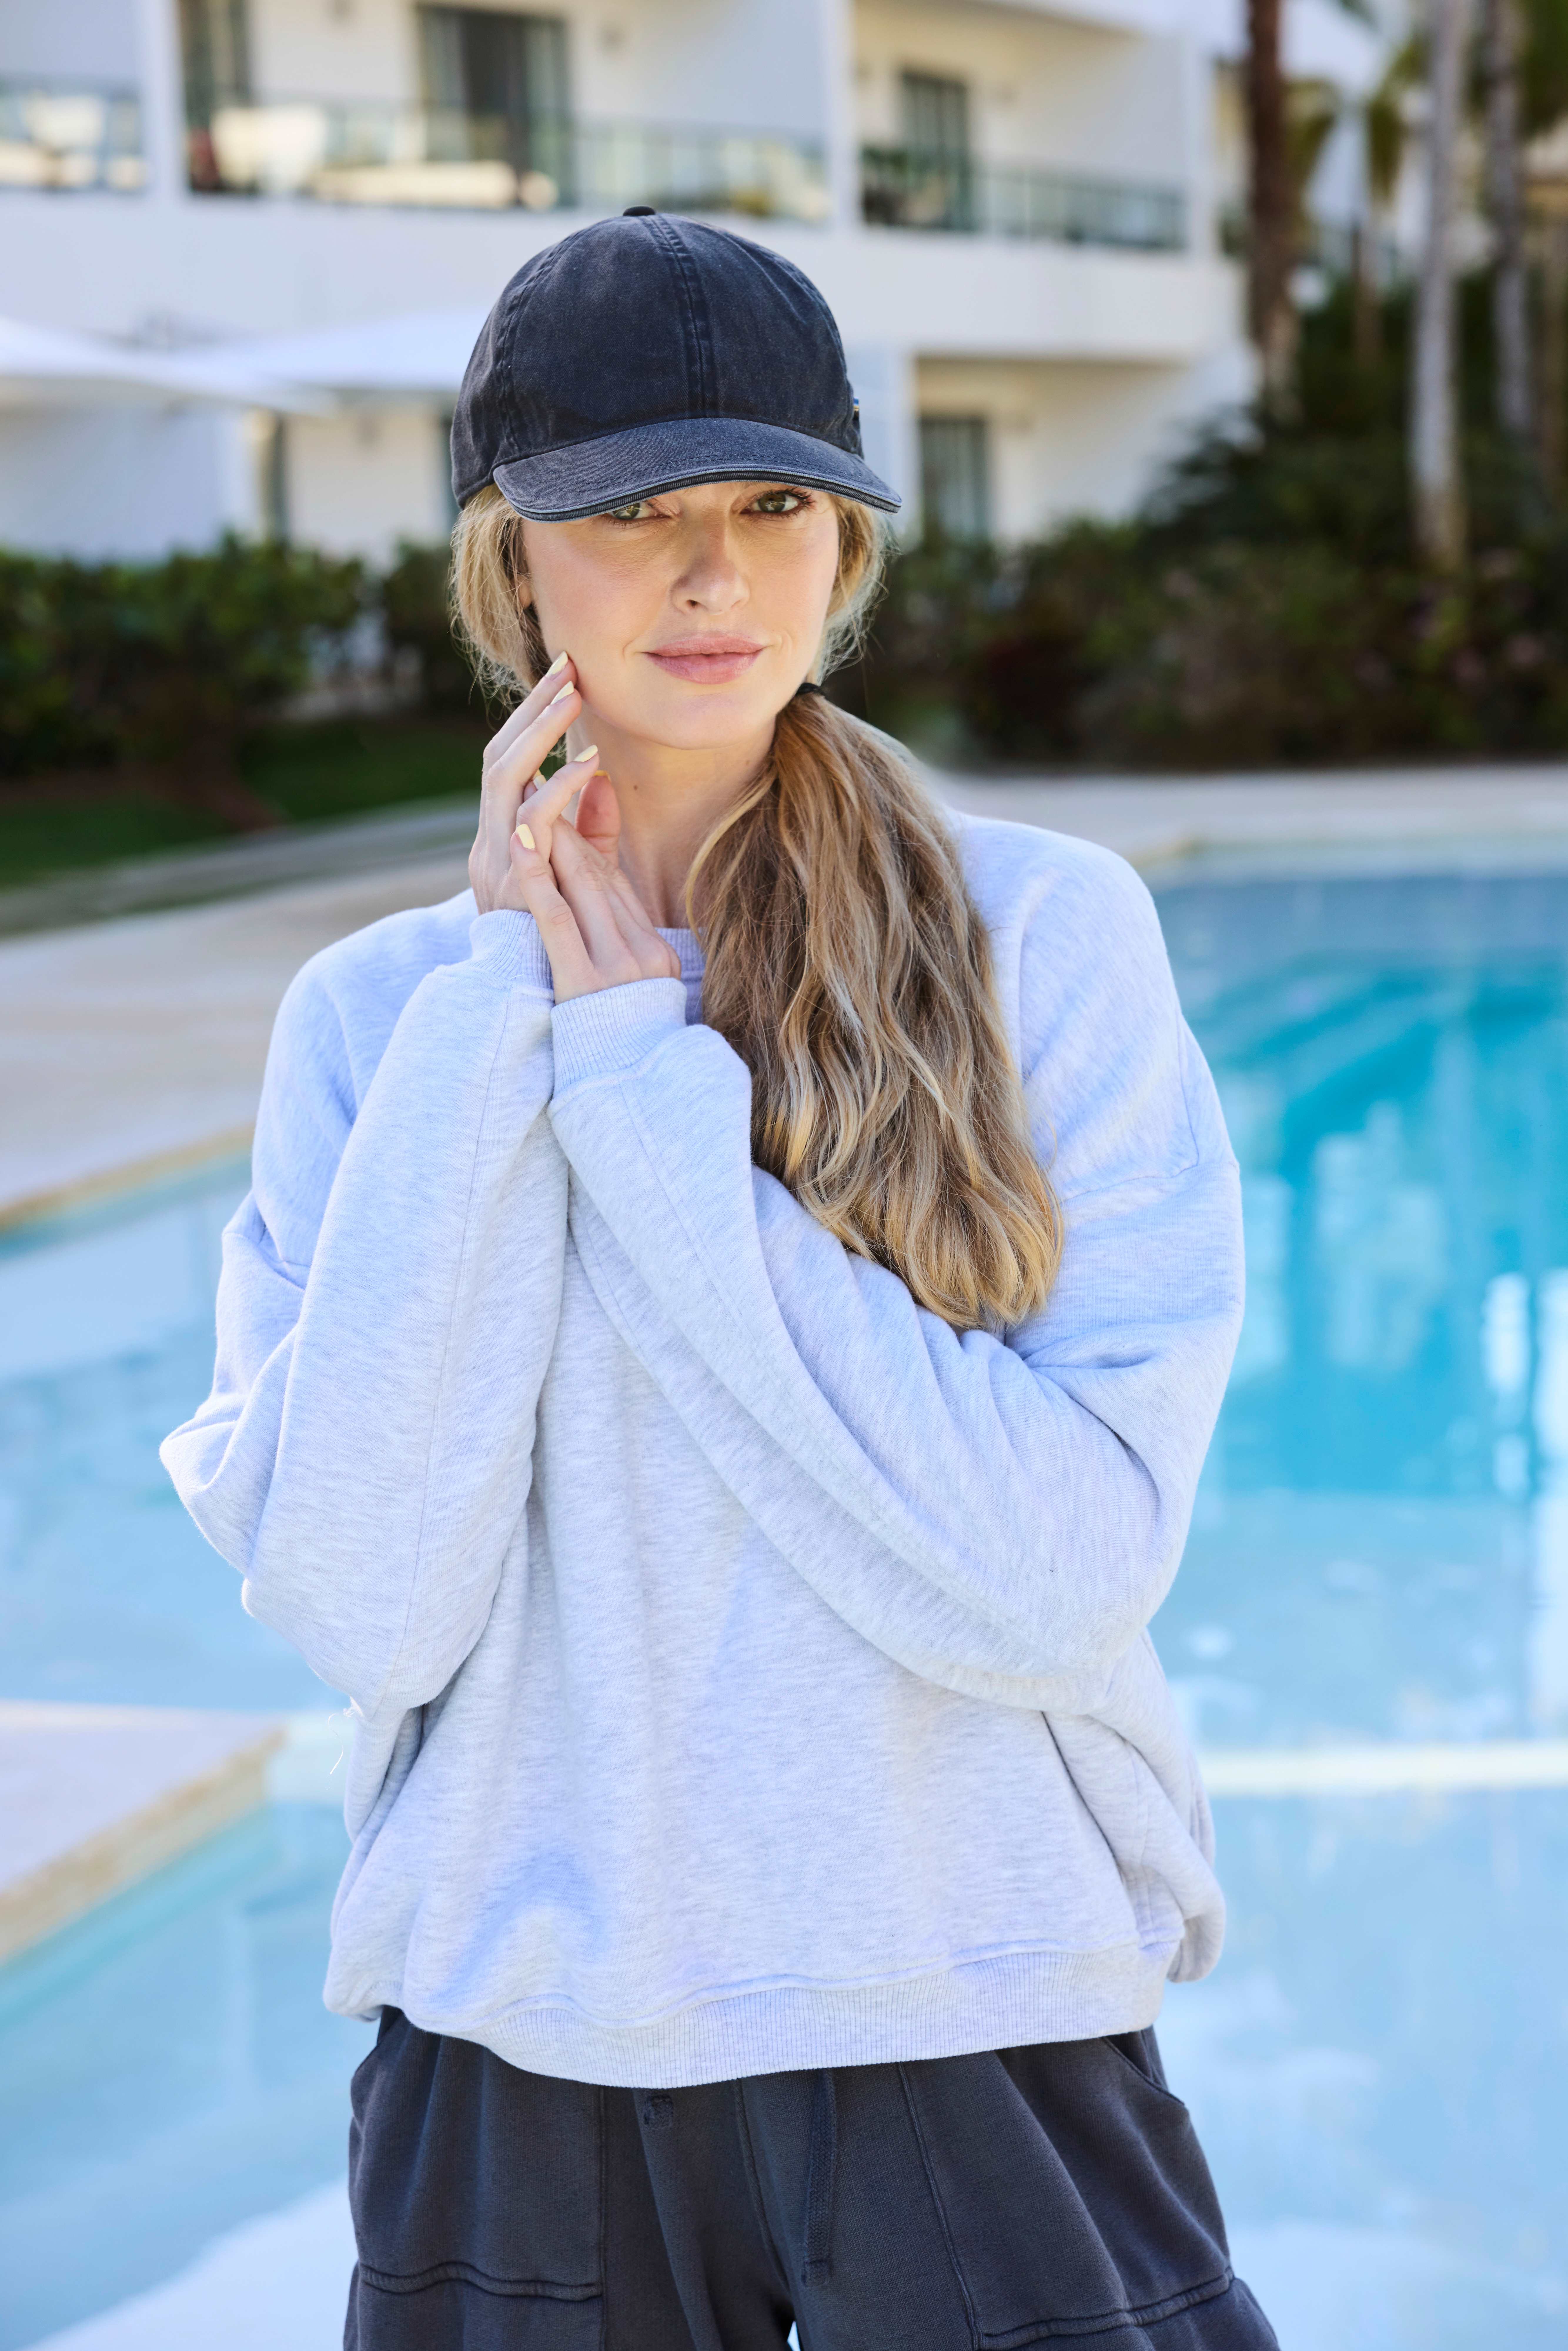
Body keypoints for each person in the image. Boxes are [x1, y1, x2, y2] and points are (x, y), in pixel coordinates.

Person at [163, 210, 1274, 2351]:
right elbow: (363, 1598)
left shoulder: (1044, 938)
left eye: (775, 507)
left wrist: (645, 1098)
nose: (712, 576)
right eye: (632, 515)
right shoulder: (383, 1020)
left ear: (846, 555)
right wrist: (508, 1011)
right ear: (513, 564)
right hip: (521, 2040)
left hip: (976, 1999)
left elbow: (1063, 1575)